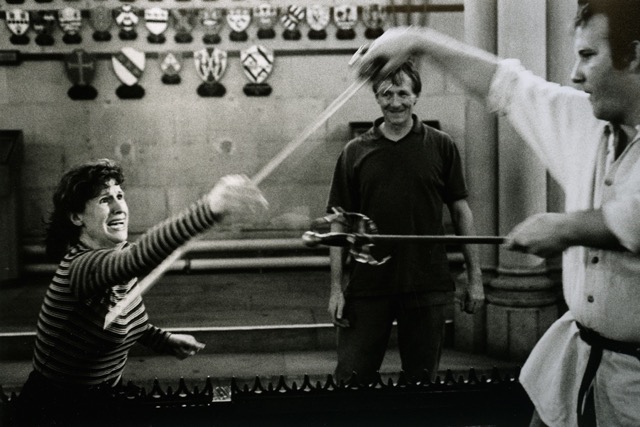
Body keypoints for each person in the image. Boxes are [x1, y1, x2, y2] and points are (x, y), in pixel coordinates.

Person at [352, 0, 640, 425]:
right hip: (579, 360)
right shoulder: (586, 119)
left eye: (587, 55)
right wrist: (417, 40)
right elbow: (505, 84)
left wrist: (569, 227)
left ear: (634, 56)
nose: (576, 74)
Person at [15, 159, 267, 426]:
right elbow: (139, 258)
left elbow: (119, 318)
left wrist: (162, 340)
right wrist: (209, 208)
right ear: (77, 217)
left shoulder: (117, 257)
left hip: (101, 400)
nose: (118, 207)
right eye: (104, 200)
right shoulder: (80, 268)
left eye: (119, 196)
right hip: (56, 410)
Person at [326, 59, 484, 385]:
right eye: (386, 94)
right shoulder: (354, 152)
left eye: (402, 93)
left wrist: (475, 278)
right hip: (368, 285)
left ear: (416, 96)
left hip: (426, 283)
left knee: (421, 383)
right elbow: (338, 223)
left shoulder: (441, 145)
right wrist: (336, 289)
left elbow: (461, 212)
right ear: (376, 97)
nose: (395, 102)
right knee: (352, 379)